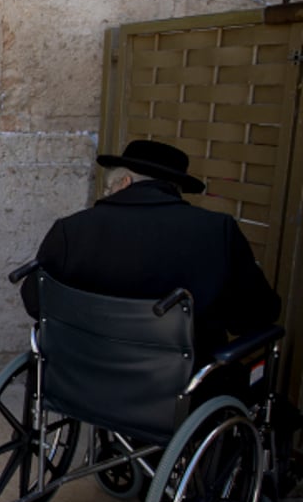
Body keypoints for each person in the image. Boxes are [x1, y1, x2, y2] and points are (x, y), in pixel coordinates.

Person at [20, 139, 280, 370]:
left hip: (84, 376)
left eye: (109, 188)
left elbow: (37, 301)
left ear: (125, 182)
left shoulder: (72, 229)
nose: (106, 195)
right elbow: (255, 314)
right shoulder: (216, 230)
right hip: (180, 388)